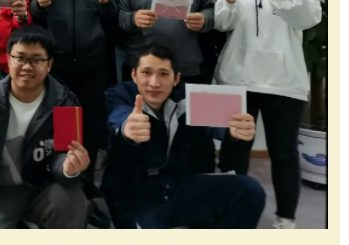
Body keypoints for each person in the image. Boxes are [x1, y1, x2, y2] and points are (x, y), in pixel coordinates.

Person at [214, 0, 322, 229]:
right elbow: (221, 23)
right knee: (234, 149)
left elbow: (310, 18)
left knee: (284, 153)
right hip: (238, 77)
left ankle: (285, 219)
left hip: (283, 81)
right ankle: (232, 215)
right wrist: (228, 2)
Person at [100, 44, 265, 229]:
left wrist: (234, 130)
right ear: (134, 75)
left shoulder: (188, 95)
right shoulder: (119, 95)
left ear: (176, 79)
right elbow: (118, 116)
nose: (154, 83)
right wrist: (127, 128)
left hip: (177, 185)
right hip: (133, 193)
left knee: (249, 189)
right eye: (146, 72)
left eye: (163, 74)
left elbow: (217, 123)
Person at [0, 26, 90, 229]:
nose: (27, 66)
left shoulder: (65, 103)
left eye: (37, 59)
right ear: (8, 60)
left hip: (42, 189)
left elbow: (62, 156)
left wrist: (68, 168)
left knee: (72, 202)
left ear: (49, 64)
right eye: (20, 58)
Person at [27, 0, 118, 178]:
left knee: (91, 124)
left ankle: (88, 184)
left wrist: (106, 1)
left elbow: (114, 16)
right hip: (58, 59)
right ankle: (64, 179)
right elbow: (30, 16)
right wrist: (38, 4)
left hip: (94, 59)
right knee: (63, 122)